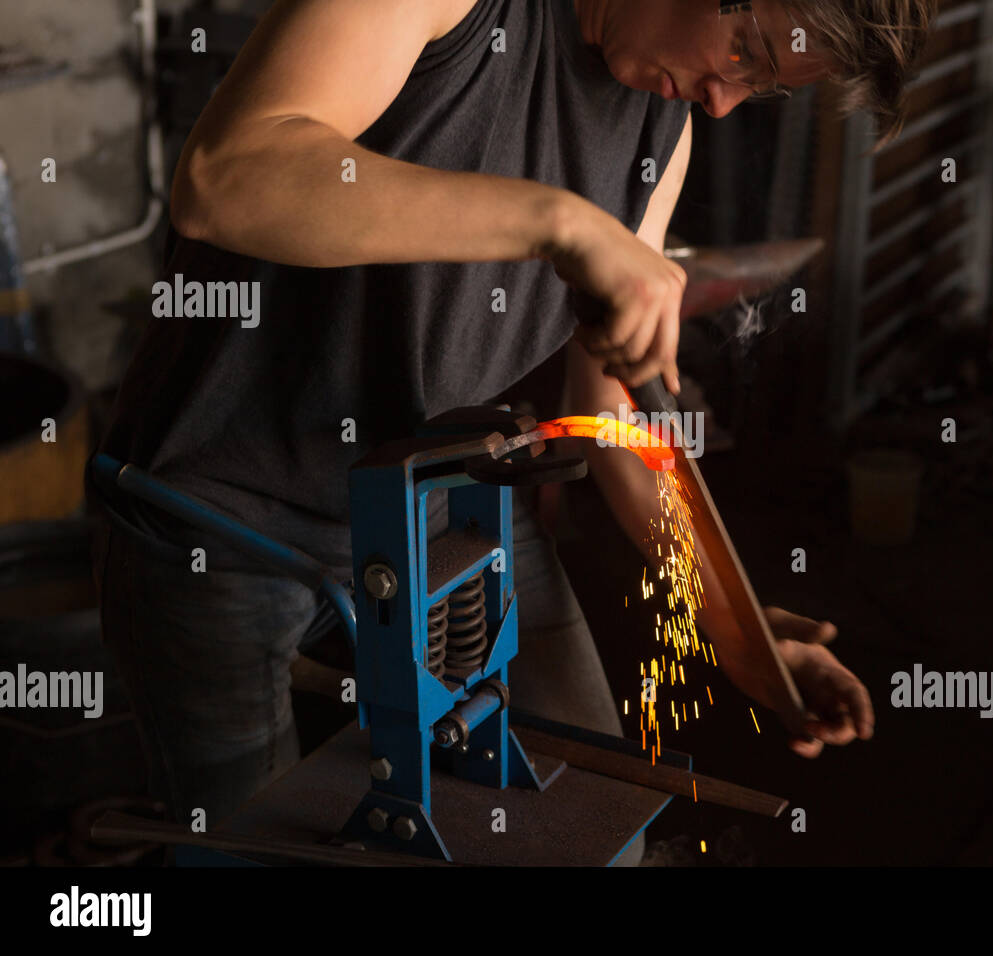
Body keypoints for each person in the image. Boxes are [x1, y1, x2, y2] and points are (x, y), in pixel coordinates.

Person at [89, 0, 933, 856]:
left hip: (436, 506)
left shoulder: (663, 128)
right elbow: (226, 176)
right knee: (249, 853)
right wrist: (557, 222)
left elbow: (610, 417)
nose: (722, 101)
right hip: (224, 518)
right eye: (743, 49)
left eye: (759, 88)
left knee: (599, 837)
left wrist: (738, 635)